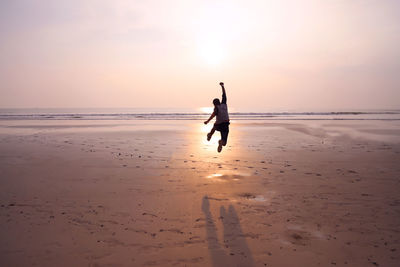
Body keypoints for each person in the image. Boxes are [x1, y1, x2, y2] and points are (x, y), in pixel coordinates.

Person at [204, 82, 230, 153]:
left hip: (220, 124)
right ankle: (221, 142)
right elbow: (224, 95)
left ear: (214, 104)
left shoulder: (216, 108)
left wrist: (207, 121)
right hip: (226, 125)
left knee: (215, 127)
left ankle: (210, 135)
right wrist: (222, 86)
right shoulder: (224, 104)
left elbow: (213, 115)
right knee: (224, 142)